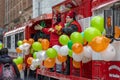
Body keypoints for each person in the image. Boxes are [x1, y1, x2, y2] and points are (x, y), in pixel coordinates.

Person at [62, 10, 82, 75]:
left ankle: (69, 73)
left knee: (71, 61)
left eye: (67, 17)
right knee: (69, 60)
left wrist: (62, 29)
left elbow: (69, 31)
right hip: (72, 46)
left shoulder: (74, 25)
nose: (66, 19)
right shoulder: (71, 24)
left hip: (75, 47)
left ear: (71, 18)